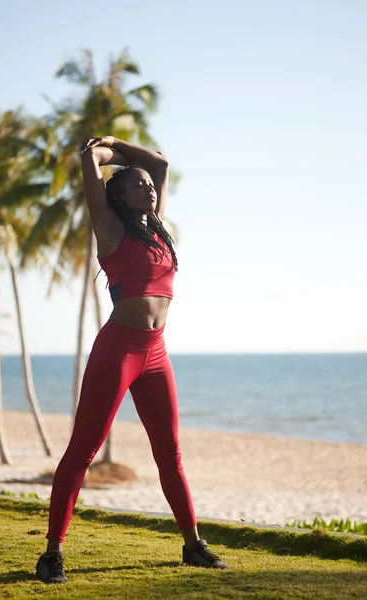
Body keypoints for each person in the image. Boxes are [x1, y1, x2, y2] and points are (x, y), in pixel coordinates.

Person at [35, 136, 228, 584]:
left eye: (150, 187)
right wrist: (105, 152)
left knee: (170, 454)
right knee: (82, 451)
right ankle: (51, 554)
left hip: (156, 351)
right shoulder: (109, 226)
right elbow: (90, 158)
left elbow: (159, 162)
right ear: (117, 194)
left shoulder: (155, 226)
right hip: (118, 349)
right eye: (137, 186)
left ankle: (193, 545)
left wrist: (121, 145)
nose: (150, 189)